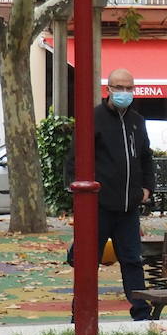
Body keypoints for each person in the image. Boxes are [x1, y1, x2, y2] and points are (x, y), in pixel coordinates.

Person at [66, 68, 157, 321]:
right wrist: (81, 198)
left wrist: (147, 190)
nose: (124, 93)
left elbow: (146, 158)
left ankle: (141, 314)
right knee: (87, 263)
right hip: (99, 207)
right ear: (109, 89)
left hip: (129, 209)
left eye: (129, 88)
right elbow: (75, 160)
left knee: (133, 261)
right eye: (119, 88)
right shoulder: (93, 118)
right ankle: (80, 316)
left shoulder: (137, 122)